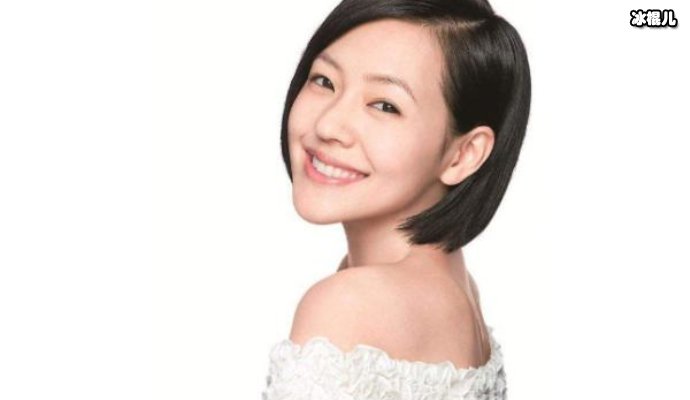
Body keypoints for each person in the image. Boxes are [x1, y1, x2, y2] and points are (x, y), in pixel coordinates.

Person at [263, 0, 530, 398]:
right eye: (324, 81)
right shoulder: (455, 288)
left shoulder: (350, 304)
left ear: (463, 155)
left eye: (385, 106)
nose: (328, 124)